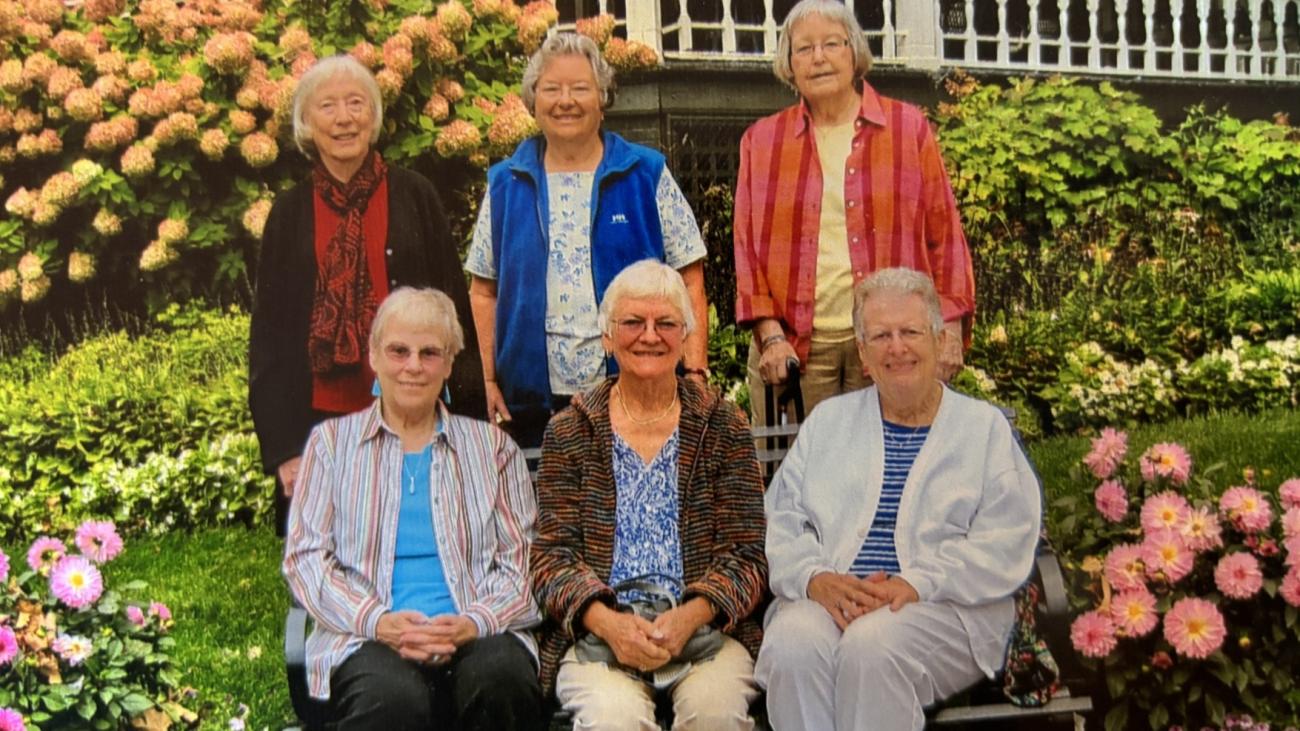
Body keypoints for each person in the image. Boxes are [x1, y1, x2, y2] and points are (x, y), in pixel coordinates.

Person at [754, 267, 1041, 731]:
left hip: (946, 608)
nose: (897, 347)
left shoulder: (981, 429)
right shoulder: (830, 422)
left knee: (871, 647)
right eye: (881, 336)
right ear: (863, 353)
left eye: (910, 332)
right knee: (793, 644)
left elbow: (1007, 539)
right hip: (834, 600)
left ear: (936, 339)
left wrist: (917, 582)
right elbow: (782, 520)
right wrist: (815, 578)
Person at [282, 287, 543, 730]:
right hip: (367, 637)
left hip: (478, 630)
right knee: (390, 701)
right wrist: (380, 622)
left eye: (430, 353)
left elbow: (523, 564)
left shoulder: (494, 450)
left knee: (501, 682)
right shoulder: (331, 446)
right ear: (374, 357)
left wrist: (470, 623)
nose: (413, 366)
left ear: (449, 362)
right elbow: (305, 561)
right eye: (399, 351)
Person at [250, 55, 485, 533]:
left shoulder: (416, 195)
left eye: (356, 103)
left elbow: (454, 316)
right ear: (306, 123)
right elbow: (269, 340)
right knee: (333, 547)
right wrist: (284, 450)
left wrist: (470, 430)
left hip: (414, 407)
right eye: (328, 106)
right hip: (322, 418)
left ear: (373, 117)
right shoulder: (289, 212)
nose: (344, 118)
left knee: (419, 536)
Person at [531, 260, 766, 729]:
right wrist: (608, 623)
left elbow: (747, 556)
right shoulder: (570, 431)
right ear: (607, 336)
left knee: (714, 714)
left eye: (665, 323)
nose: (649, 336)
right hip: (600, 637)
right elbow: (551, 560)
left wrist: (690, 616)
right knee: (612, 721)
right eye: (633, 322)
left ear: (685, 335)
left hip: (707, 634)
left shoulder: (723, 426)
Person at [733, 0, 975, 426]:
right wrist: (770, 337)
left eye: (832, 43)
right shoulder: (762, 141)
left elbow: (944, 233)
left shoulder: (907, 128)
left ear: (855, 52)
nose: (819, 58)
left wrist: (950, 327)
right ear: (789, 64)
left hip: (889, 344)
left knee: (894, 472)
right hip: (794, 347)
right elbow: (747, 251)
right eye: (804, 48)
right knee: (795, 482)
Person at [466, 33, 710, 449]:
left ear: (602, 98)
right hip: (530, 406)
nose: (566, 101)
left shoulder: (644, 173)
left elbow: (690, 276)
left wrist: (695, 370)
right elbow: (483, 291)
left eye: (580, 88)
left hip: (635, 394)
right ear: (533, 100)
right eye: (552, 89)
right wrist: (486, 379)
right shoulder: (506, 183)